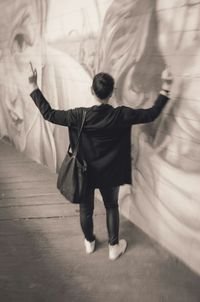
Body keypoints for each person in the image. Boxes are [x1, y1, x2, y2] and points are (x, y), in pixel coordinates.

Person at [28, 65, 172, 260]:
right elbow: (151, 114)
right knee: (111, 206)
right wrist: (166, 88)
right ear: (112, 92)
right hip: (111, 173)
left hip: (85, 172)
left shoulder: (79, 116)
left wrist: (34, 86)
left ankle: (89, 242)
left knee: (86, 209)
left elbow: (50, 114)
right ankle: (114, 247)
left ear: (92, 91)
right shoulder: (121, 115)